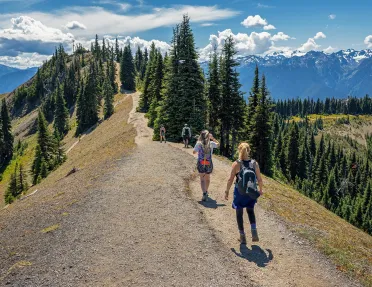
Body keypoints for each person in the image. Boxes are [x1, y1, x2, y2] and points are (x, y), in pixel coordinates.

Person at [224, 143, 263, 244]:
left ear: (239, 150)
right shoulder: (254, 163)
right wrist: (260, 190)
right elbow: (259, 179)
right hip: (251, 191)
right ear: (249, 151)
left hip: (240, 192)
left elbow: (230, 179)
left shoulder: (236, 164)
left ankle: (242, 236)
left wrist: (227, 191)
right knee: (250, 211)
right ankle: (254, 231)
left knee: (239, 213)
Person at [193, 130, 220, 201]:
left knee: (202, 179)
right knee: (207, 178)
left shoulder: (199, 143)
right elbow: (218, 144)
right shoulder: (211, 143)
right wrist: (213, 138)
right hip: (208, 162)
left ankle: (204, 193)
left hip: (201, 162)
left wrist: (199, 140)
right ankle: (206, 191)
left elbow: (194, 152)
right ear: (208, 136)